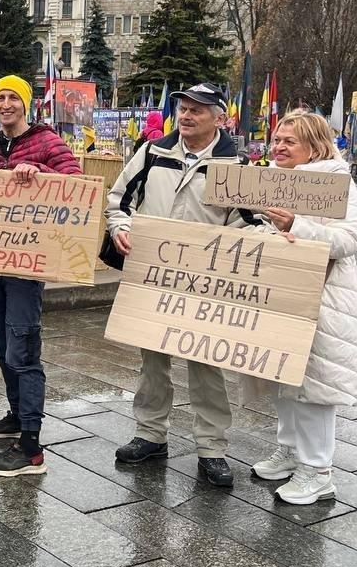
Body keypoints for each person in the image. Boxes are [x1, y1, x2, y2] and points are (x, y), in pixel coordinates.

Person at [105, 82, 263, 487]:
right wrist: (121, 227)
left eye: (198, 109)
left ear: (219, 118)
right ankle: (150, 434)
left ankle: (212, 448)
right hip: (154, 278)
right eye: (184, 108)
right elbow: (119, 199)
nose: (188, 115)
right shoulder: (153, 151)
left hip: (206, 286)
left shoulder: (236, 167)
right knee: (152, 360)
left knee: (206, 364)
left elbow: (251, 223)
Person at [0, 74, 81, 476]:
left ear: (26, 104)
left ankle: (31, 447)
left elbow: (78, 187)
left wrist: (40, 174)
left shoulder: (47, 142)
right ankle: (16, 414)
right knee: (0, 344)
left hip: (27, 268)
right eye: (1, 98)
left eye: (14, 97)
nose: (6, 104)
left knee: (23, 348)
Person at [250, 111, 357, 504]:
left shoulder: (337, 184)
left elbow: (349, 240)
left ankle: (318, 471)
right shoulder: (276, 179)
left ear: (313, 147)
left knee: (314, 386)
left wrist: (296, 225)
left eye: (288, 142)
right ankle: (291, 450)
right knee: (283, 375)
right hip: (283, 294)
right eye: (276, 139)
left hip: (324, 299)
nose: (277, 147)